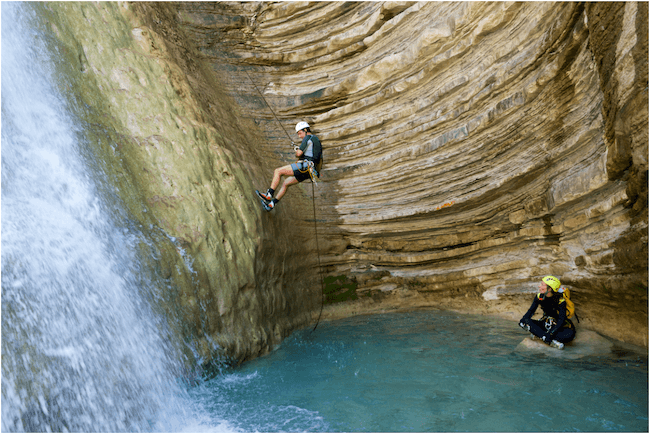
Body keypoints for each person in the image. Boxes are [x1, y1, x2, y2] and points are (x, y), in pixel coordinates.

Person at [257, 121, 322, 211]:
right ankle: (272, 204)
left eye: (300, 133)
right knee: (286, 183)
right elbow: (319, 159)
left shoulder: (307, 137)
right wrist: (316, 174)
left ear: (306, 130)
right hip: (310, 171)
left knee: (278, 171)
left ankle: (269, 194)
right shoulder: (317, 141)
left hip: (305, 166)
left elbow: (299, 153)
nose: (299, 136)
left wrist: (297, 152)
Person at [519, 275, 576, 349]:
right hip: (546, 323)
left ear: (550, 289)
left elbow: (561, 320)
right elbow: (531, 311)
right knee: (525, 321)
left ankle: (541, 335)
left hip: (559, 327)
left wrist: (551, 333)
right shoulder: (539, 296)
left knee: (569, 335)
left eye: (542, 285)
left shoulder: (561, 300)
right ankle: (547, 339)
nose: (539, 286)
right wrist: (523, 320)